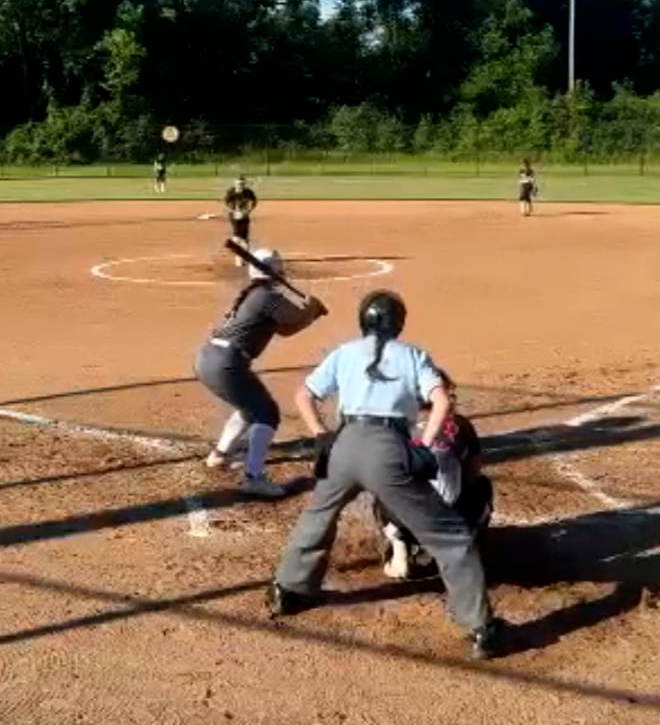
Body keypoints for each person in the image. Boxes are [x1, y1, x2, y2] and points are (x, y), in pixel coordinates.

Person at [268, 290, 510, 661]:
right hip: (388, 447)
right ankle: (482, 628)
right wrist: (425, 445)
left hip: (345, 443)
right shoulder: (413, 355)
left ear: (362, 321)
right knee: (450, 537)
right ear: (398, 323)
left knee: (317, 517)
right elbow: (442, 401)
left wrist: (320, 434)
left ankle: (287, 592)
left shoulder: (344, 352)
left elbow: (304, 395)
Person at [197, 248, 327, 497]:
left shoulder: (257, 295)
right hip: (226, 363)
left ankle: (220, 455)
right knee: (267, 413)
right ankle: (254, 477)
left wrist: (311, 315)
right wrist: (311, 309)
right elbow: (296, 316)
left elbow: (286, 330)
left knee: (250, 408)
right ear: (275, 269)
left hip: (211, 359)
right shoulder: (267, 297)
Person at [372, 365, 494, 581]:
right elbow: (473, 473)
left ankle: (399, 547)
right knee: (483, 486)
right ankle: (465, 546)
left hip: (406, 519)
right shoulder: (460, 424)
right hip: (450, 521)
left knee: (383, 487)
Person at [223, 175, 258, 266]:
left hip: (245, 215)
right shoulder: (231, 192)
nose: (240, 186)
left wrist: (248, 211)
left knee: (245, 239)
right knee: (237, 237)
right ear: (235, 184)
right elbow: (226, 204)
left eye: (242, 184)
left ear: (244, 184)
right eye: (238, 184)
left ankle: (246, 257)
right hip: (234, 216)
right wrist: (234, 212)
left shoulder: (248, 192)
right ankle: (238, 258)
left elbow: (254, 202)